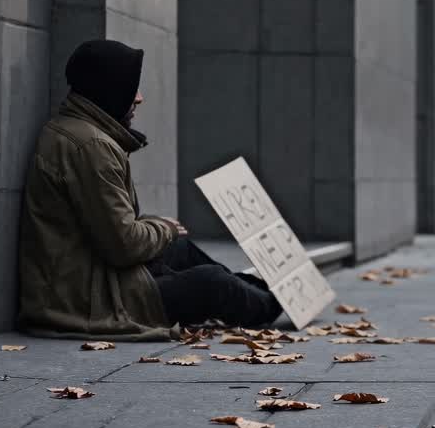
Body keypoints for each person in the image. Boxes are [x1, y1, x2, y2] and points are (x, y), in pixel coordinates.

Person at [19, 40, 283, 339]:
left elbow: (111, 231)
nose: (140, 98)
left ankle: (265, 292)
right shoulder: (91, 147)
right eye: (131, 89)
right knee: (210, 283)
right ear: (108, 89)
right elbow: (124, 246)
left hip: (91, 282)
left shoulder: (79, 133)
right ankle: (274, 303)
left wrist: (161, 231)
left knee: (180, 248)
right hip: (88, 300)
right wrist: (164, 228)